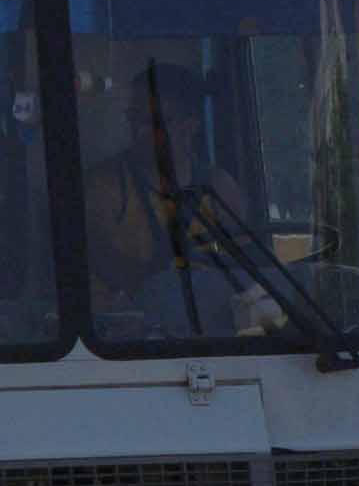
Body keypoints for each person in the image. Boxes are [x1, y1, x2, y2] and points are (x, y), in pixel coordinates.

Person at [82, 62, 263, 339]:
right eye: (134, 118)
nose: (139, 131)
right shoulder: (103, 186)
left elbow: (245, 270)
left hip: (208, 334)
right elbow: (108, 264)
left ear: (190, 125)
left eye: (153, 122)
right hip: (119, 342)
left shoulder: (219, 188)